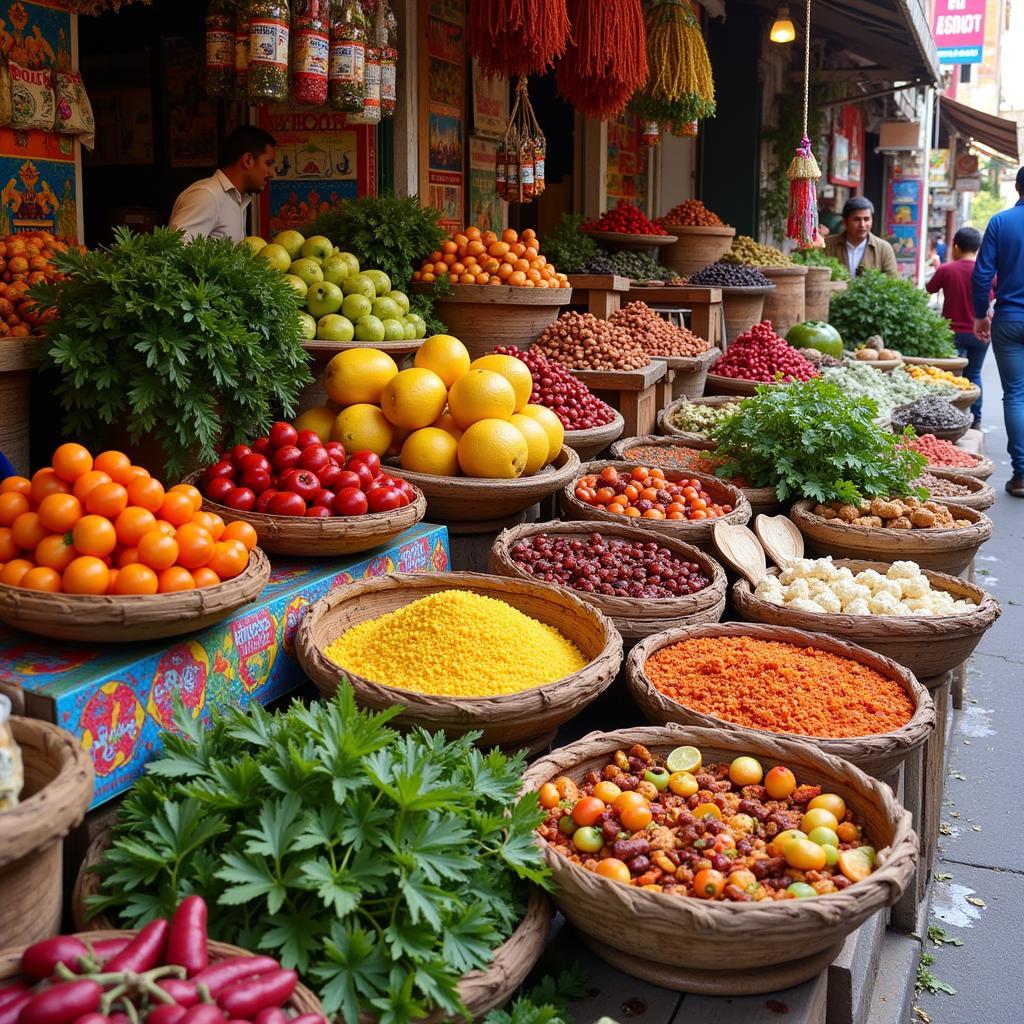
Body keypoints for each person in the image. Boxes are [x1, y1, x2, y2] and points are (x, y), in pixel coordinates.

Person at [973, 166, 1024, 497]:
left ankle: (1021, 474)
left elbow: (981, 276)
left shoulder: (1000, 222)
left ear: (1017, 187)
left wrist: (980, 315)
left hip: (1009, 318)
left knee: (1015, 394)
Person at [168, 125, 277, 243]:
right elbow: (176, 253)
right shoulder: (207, 196)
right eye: (268, 163)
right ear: (248, 160)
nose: (272, 173)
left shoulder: (237, 200)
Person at [926, 227, 985, 428]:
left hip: (951, 332)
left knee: (950, 377)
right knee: (975, 374)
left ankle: (952, 418)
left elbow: (929, 289)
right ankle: (976, 418)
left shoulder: (946, 269)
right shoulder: (985, 270)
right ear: (978, 248)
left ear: (956, 246)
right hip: (980, 333)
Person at [824, 197, 899, 278]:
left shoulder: (884, 248)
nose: (862, 225)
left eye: (866, 219)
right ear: (844, 221)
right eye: (856, 219)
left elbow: (892, 281)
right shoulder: (827, 245)